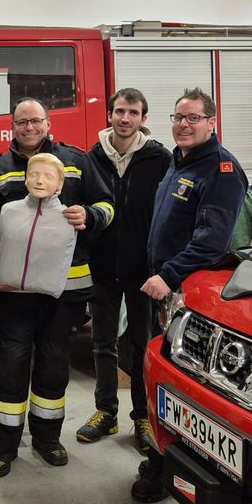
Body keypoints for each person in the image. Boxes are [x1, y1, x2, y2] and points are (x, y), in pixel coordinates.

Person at [0, 98, 114, 477]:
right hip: (16, 292)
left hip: (65, 292)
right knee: (11, 364)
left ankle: (47, 439)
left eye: (35, 121)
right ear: (13, 126)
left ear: (47, 122)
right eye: (22, 122)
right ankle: (3, 446)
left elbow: (108, 203)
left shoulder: (77, 161)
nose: (29, 127)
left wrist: (89, 215)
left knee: (54, 364)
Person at [132, 87, 247, 502]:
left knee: (185, 388)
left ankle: (171, 469)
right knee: (164, 381)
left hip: (188, 296)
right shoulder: (179, 163)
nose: (184, 124)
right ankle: (165, 462)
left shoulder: (220, 170)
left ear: (212, 122)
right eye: (179, 117)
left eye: (194, 118)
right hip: (166, 293)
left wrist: (168, 273)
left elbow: (211, 243)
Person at [76, 89, 171, 453]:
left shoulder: (159, 159)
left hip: (143, 271)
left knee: (142, 345)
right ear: (110, 114)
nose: (125, 118)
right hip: (101, 267)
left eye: (133, 112)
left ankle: (143, 417)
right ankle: (106, 412)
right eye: (119, 111)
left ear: (143, 119)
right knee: (102, 344)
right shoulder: (92, 158)